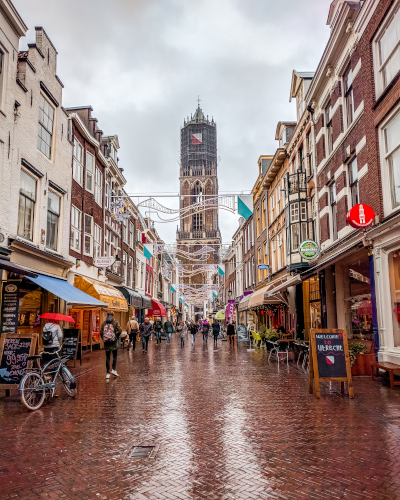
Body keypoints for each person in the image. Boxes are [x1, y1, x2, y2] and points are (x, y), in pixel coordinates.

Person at [100, 311, 122, 379]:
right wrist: (116, 337)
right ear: (113, 315)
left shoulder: (104, 323)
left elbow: (101, 332)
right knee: (115, 356)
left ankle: (107, 373)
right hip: (113, 342)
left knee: (107, 357)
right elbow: (120, 330)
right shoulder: (115, 322)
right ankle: (113, 369)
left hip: (106, 343)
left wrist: (105, 339)